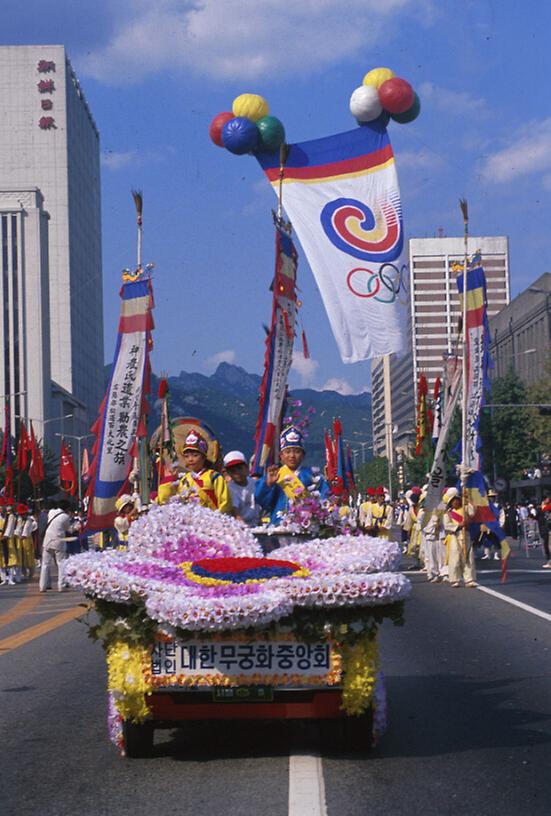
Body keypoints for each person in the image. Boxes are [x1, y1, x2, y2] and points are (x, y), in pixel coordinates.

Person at [255, 426, 330, 525]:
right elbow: (262, 501)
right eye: (288, 452)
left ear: (303, 455)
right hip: (278, 524)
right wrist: (268, 484)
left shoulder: (313, 476)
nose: (292, 456)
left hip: (305, 526)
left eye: (297, 451)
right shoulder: (275, 475)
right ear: (281, 455)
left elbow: (325, 498)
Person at [158, 429, 232, 513]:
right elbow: (164, 501)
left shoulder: (214, 476)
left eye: (195, 455)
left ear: (203, 457)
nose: (190, 459)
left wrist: (218, 518)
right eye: (186, 456)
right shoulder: (183, 480)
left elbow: (225, 502)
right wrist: (169, 479)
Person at [39, 500, 79, 592]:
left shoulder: (51, 512)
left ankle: (42, 586)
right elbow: (69, 530)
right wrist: (77, 527)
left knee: (45, 564)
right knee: (61, 563)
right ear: (67, 508)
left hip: (47, 540)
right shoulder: (65, 516)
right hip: (59, 541)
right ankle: (61, 585)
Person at [443, 487, 477, 588]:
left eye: (457, 500)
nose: (455, 502)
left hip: (466, 535)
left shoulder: (465, 508)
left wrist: (468, 499)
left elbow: (472, 513)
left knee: (468, 558)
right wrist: (459, 526)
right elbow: (447, 525)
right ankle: (455, 579)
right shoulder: (448, 513)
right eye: (453, 501)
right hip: (454, 536)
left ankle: (469, 579)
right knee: (455, 558)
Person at [223, 450, 262, 527]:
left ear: (246, 468)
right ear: (228, 473)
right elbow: (236, 514)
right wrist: (245, 528)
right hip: (240, 528)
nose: (237, 473)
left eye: (239, 468)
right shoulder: (229, 489)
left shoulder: (256, 483)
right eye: (233, 470)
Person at [538, 496, 551, 569]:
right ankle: (549, 561)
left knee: (548, 545)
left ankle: (549, 561)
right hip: (545, 528)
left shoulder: (547, 507)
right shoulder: (544, 509)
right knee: (546, 545)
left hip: (548, 529)